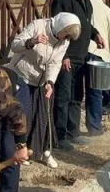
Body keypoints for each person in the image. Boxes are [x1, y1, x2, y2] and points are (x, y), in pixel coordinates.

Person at [7, 12, 82, 169]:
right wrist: (32, 41)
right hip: (22, 76)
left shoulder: (63, 42)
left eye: (68, 37)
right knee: (22, 115)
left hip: (41, 82)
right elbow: (15, 45)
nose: (64, 39)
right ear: (60, 27)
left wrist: (49, 82)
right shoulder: (38, 25)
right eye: (65, 34)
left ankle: (42, 150)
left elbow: (55, 63)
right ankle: (17, 150)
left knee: (43, 116)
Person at [50, 0, 105, 149]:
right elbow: (57, 29)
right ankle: (60, 136)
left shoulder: (86, 2)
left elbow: (86, 24)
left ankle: (74, 132)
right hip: (66, 58)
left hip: (81, 56)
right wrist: (63, 55)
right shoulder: (63, 0)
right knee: (63, 97)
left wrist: (95, 34)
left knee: (76, 96)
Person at [85, 0, 110, 137]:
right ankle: (94, 127)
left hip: (80, 52)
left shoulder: (83, 5)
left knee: (76, 92)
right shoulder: (107, 11)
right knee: (95, 91)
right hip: (99, 54)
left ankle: (70, 131)